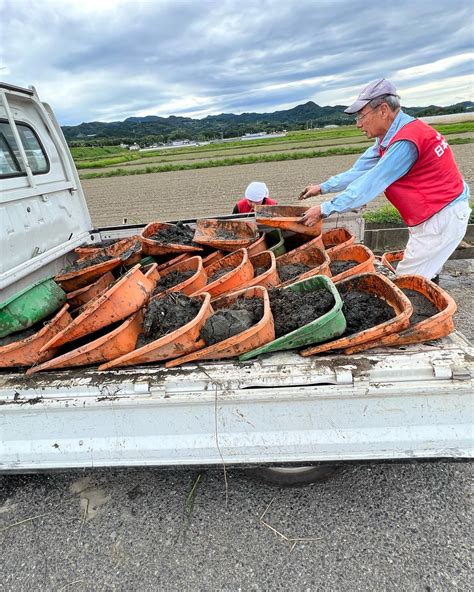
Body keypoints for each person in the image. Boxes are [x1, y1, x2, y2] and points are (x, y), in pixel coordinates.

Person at [298, 78, 471, 282]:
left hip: (440, 218)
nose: (358, 124)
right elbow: (359, 172)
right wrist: (323, 187)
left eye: (361, 116)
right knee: (424, 275)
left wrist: (324, 209)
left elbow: (370, 183)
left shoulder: (406, 141)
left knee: (407, 282)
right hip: (433, 216)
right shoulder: (391, 137)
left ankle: (428, 313)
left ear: (383, 110)